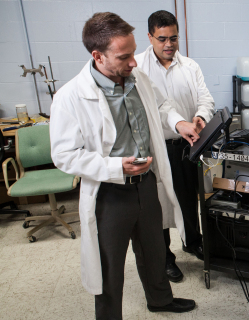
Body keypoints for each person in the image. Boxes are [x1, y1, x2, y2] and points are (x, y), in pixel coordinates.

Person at [49, 12, 199, 319]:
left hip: (147, 184)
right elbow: (64, 154)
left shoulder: (136, 78)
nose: (134, 62)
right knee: (109, 266)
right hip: (110, 193)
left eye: (133, 53)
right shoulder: (70, 97)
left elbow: (161, 104)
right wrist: (115, 167)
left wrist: (179, 122)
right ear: (98, 56)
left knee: (154, 250)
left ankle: (160, 300)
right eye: (124, 56)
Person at [136, 10, 215, 282]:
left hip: (185, 145)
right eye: (162, 39)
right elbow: (156, 108)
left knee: (186, 197)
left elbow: (206, 99)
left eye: (174, 38)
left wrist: (201, 116)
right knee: (158, 206)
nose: (169, 44)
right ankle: (165, 258)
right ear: (149, 37)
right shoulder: (137, 68)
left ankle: (192, 242)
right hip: (155, 148)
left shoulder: (190, 67)